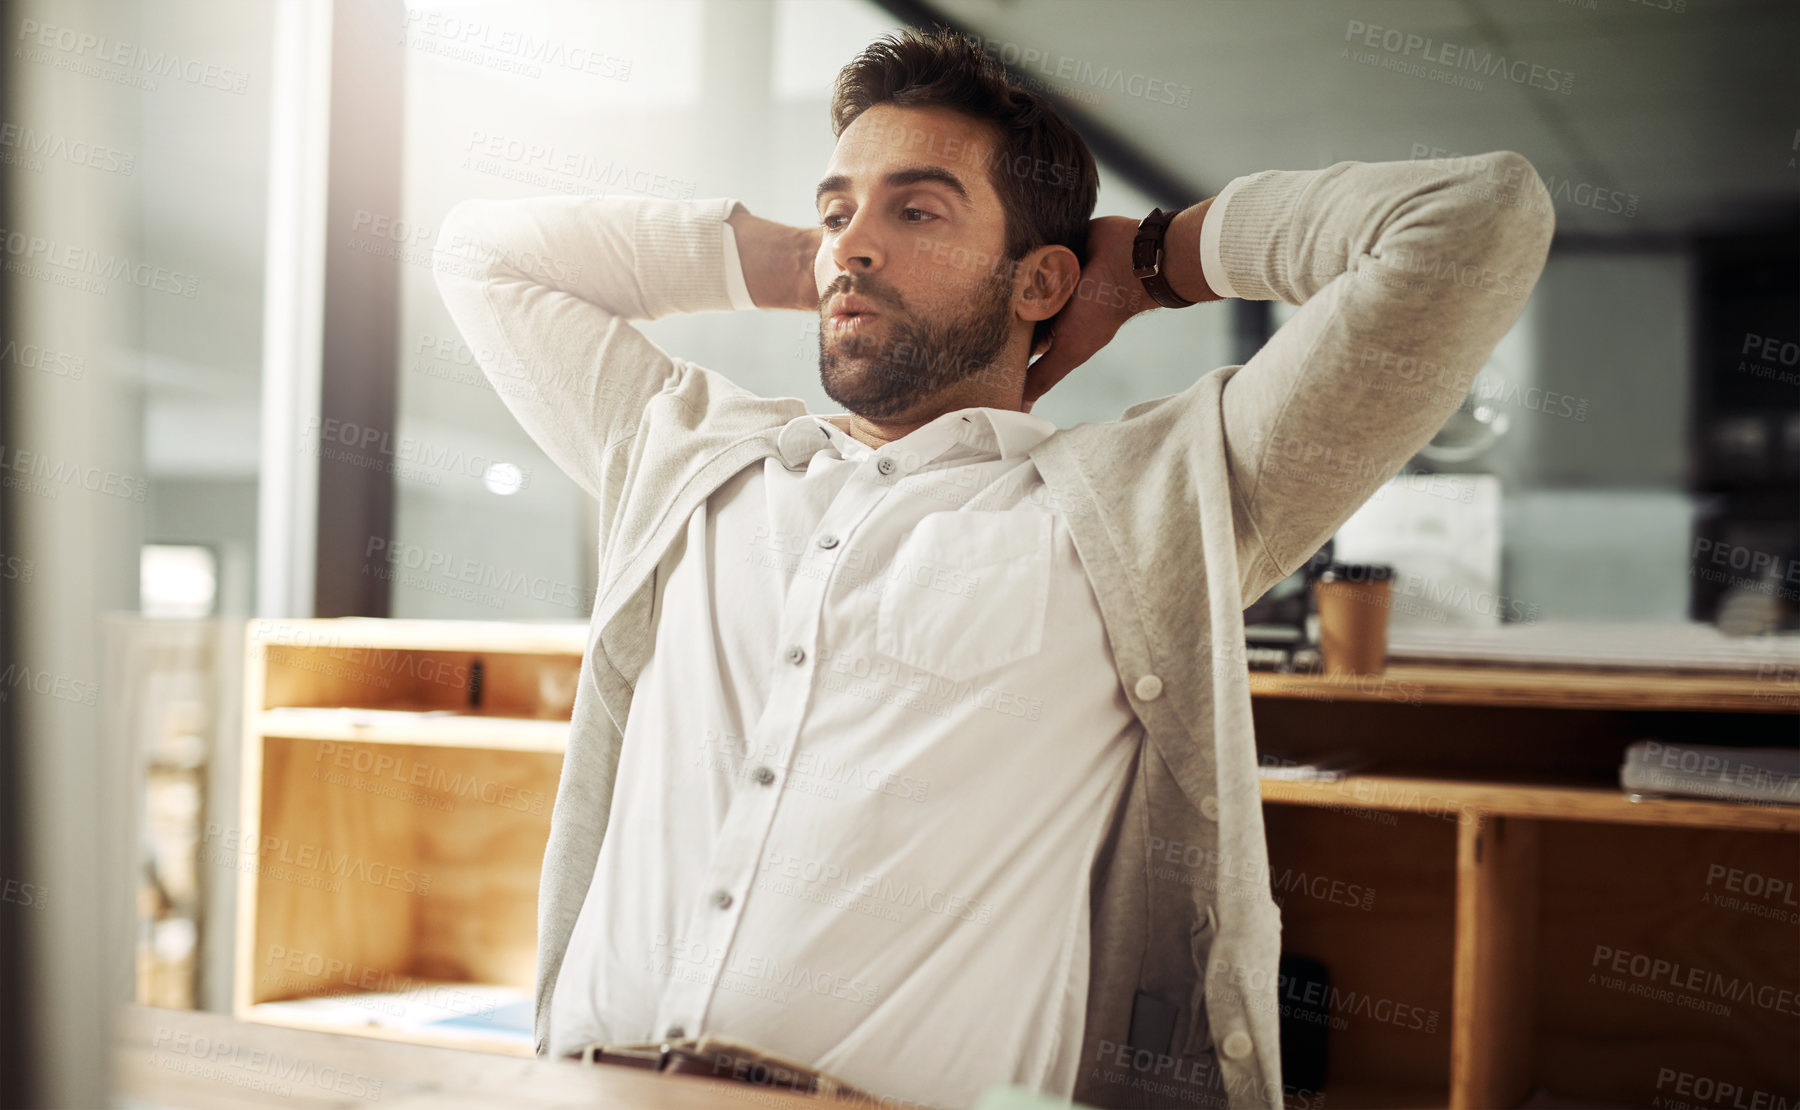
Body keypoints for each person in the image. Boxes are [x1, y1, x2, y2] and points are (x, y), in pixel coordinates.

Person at [433, 27, 1553, 1110]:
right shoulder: (683, 453)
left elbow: (1474, 220)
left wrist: (1158, 261)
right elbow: (485, 254)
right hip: (583, 1086)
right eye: (838, 209)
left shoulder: (1152, 503)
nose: (852, 244)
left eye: (917, 208)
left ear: (1040, 282)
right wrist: (813, 261)